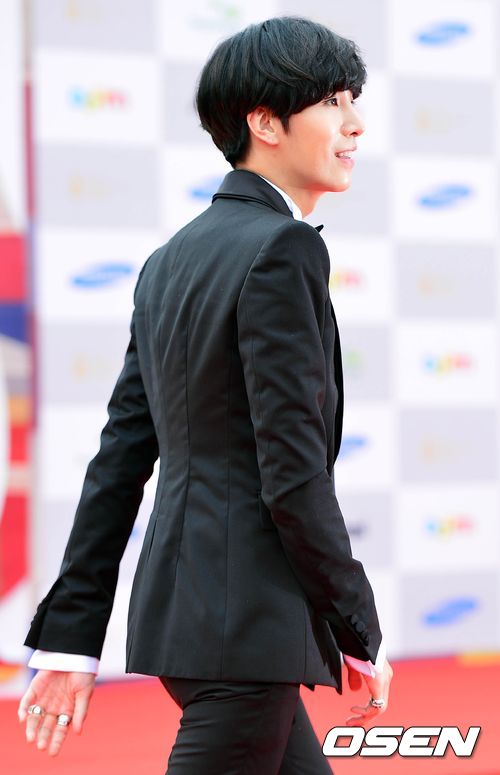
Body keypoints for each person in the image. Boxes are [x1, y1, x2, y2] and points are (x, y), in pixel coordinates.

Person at [18, 15, 393, 773]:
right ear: (266, 123)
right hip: (246, 624)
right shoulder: (283, 248)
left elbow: (120, 459)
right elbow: (292, 474)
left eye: (354, 100)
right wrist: (358, 626)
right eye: (332, 102)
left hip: (194, 621)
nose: (355, 123)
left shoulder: (170, 259)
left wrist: (71, 636)